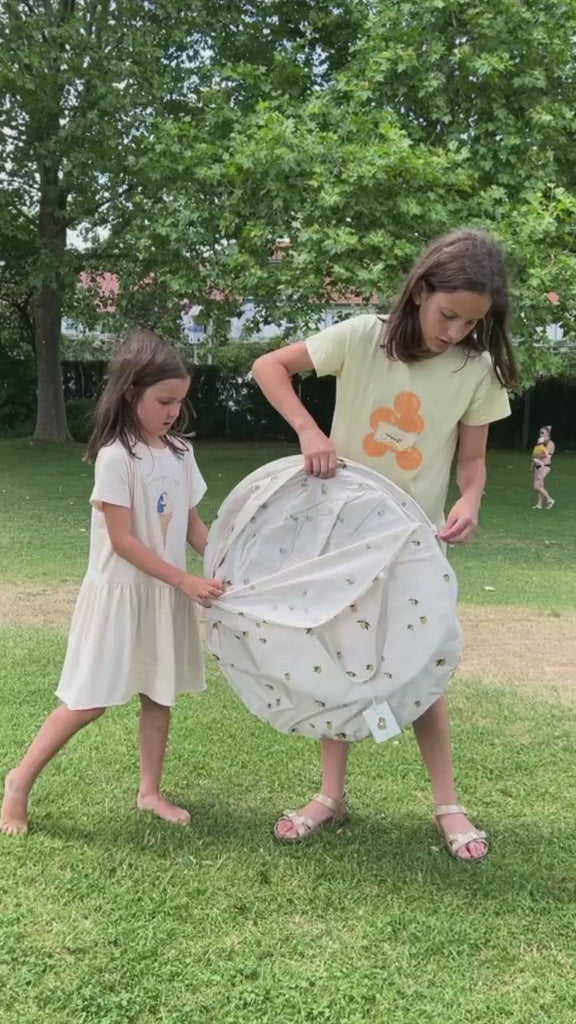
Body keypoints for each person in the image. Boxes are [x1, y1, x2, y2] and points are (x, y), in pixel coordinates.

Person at [251, 228, 518, 861]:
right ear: (421, 291)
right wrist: (309, 431)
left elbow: (472, 462)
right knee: (336, 659)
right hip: (339, 539)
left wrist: (470, 499)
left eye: (471, 322)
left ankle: (448, 804)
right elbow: (269, 367)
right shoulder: (361, 337)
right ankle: (330, 796)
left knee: (422, 662)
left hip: (413, 543)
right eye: (448, 314)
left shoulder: (475, 369)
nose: (456, 331)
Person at [1, 329, 224, 837]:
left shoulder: (181, 453)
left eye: (179, 402)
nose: (173, 412)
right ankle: (19, 781)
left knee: (159, 695)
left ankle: (150, 792)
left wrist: (225, 563)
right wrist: (184, 579)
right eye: (164, 401)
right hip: (120, 596)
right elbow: (122, 541)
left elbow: (193, 527)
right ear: (130, 394)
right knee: (88, 700)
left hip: (164, 594)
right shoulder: (115, 457)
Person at [532, 425, 555, 509]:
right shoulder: (541, 442)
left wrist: (535, 456)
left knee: (536, 485)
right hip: (537, 465)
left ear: (548, 434)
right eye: (540, 432)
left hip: (545, 465)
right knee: (540, 485)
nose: (540, 434)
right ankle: (539, 504)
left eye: (542, 432)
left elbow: (546, 455)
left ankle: (550, 499)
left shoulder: (550, 443)